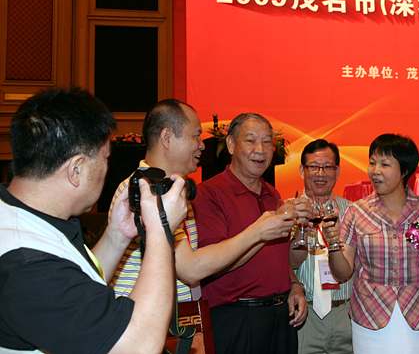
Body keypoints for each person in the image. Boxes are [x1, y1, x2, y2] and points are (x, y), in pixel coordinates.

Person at [0, 88, 187, 353]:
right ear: (76, 169)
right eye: (105, 158)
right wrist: (161, 228)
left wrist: (116, 236)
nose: (107, 168)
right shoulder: (26, 263)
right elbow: (138, 345)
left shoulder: (21, 217)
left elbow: (75, 287)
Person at [110, 99, 295, 301]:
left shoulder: (169, 189)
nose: (202, 145)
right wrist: (258, 231)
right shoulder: (147, 191)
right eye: (196, 136)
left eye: (267, 141)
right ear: (167, 138)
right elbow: (191, 270)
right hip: (138, 313)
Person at [193, 112, 310, 354]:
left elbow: (277, 258)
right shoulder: (209, 194)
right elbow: (213, 264)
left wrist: (294, 284)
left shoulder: (272, 194)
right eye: (251, 140)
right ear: (231, 145)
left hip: (281, 317)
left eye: (267, 142)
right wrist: (260, 232)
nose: (261, 149)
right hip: (237, 317)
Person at [326, 134, 419, 354]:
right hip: (370, 318)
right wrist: (333, 243)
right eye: (372, 163)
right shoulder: (357, 212)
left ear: (404, 171)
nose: (375, 171)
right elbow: (342, 273)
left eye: (385, 164)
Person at [289, 139, 353, 354]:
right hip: (304, 315)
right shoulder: (287, 211)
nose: (320, 173)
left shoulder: (352, 212)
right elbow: (287, 263)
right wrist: (300, 231)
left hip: (344, 314)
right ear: (302, 170)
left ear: (337, 171)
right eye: (314, 167)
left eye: (327, 167)